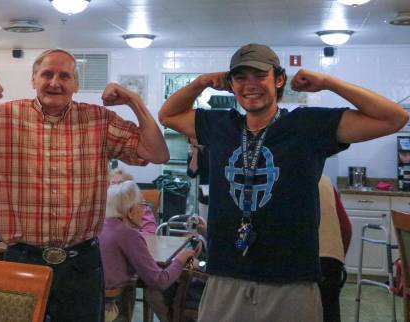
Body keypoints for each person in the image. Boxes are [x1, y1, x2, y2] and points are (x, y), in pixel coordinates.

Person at [158, 43, 407, 322]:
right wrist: (201, 82)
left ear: (278, 80)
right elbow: (167, 115)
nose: (250, 85)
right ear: (230, 85)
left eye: (259, 75)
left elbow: (394, 117)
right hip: (226, 275)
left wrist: (328, 82)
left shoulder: (308, 126)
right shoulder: (219, 125)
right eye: (240, 77)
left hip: (291, 281)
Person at [0, 49, 170, 321]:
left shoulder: (100, 121)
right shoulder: (1, 118)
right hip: (23, 260)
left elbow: (157, 154)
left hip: (81, 264)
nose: (55, 82)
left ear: (76, 84)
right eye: (46, 74)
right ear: (34, 79)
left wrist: (134, 101)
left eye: (64, 75)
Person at [100, 180, 198, 322]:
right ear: (130, 211)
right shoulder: (129, 235)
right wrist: (181, 259)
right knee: (158, 290)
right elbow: (159, 281)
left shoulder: (103, 226)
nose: (145, 212)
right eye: (143, 206)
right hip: (113, 303)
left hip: (94, 299)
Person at [317, 175, 351, 322]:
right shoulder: (325, 181)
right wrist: (338, 259)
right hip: (330, 260)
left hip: (299, 266)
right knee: (329, 312)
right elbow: (346, 228)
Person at [109, 168, 158, 234]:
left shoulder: (140, 206)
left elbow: (150, 233)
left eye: (120, 184)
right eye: (113, 184)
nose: (116, 188)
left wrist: (125, 234)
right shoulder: (105, 207)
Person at [186, 137, 210, 220]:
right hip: (204, 193)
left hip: (218, 191)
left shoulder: (211, 148)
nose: (195, 140)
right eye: (191, 138)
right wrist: (195, 152)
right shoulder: (193, 153)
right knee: (204, 221)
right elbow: (192, 173)